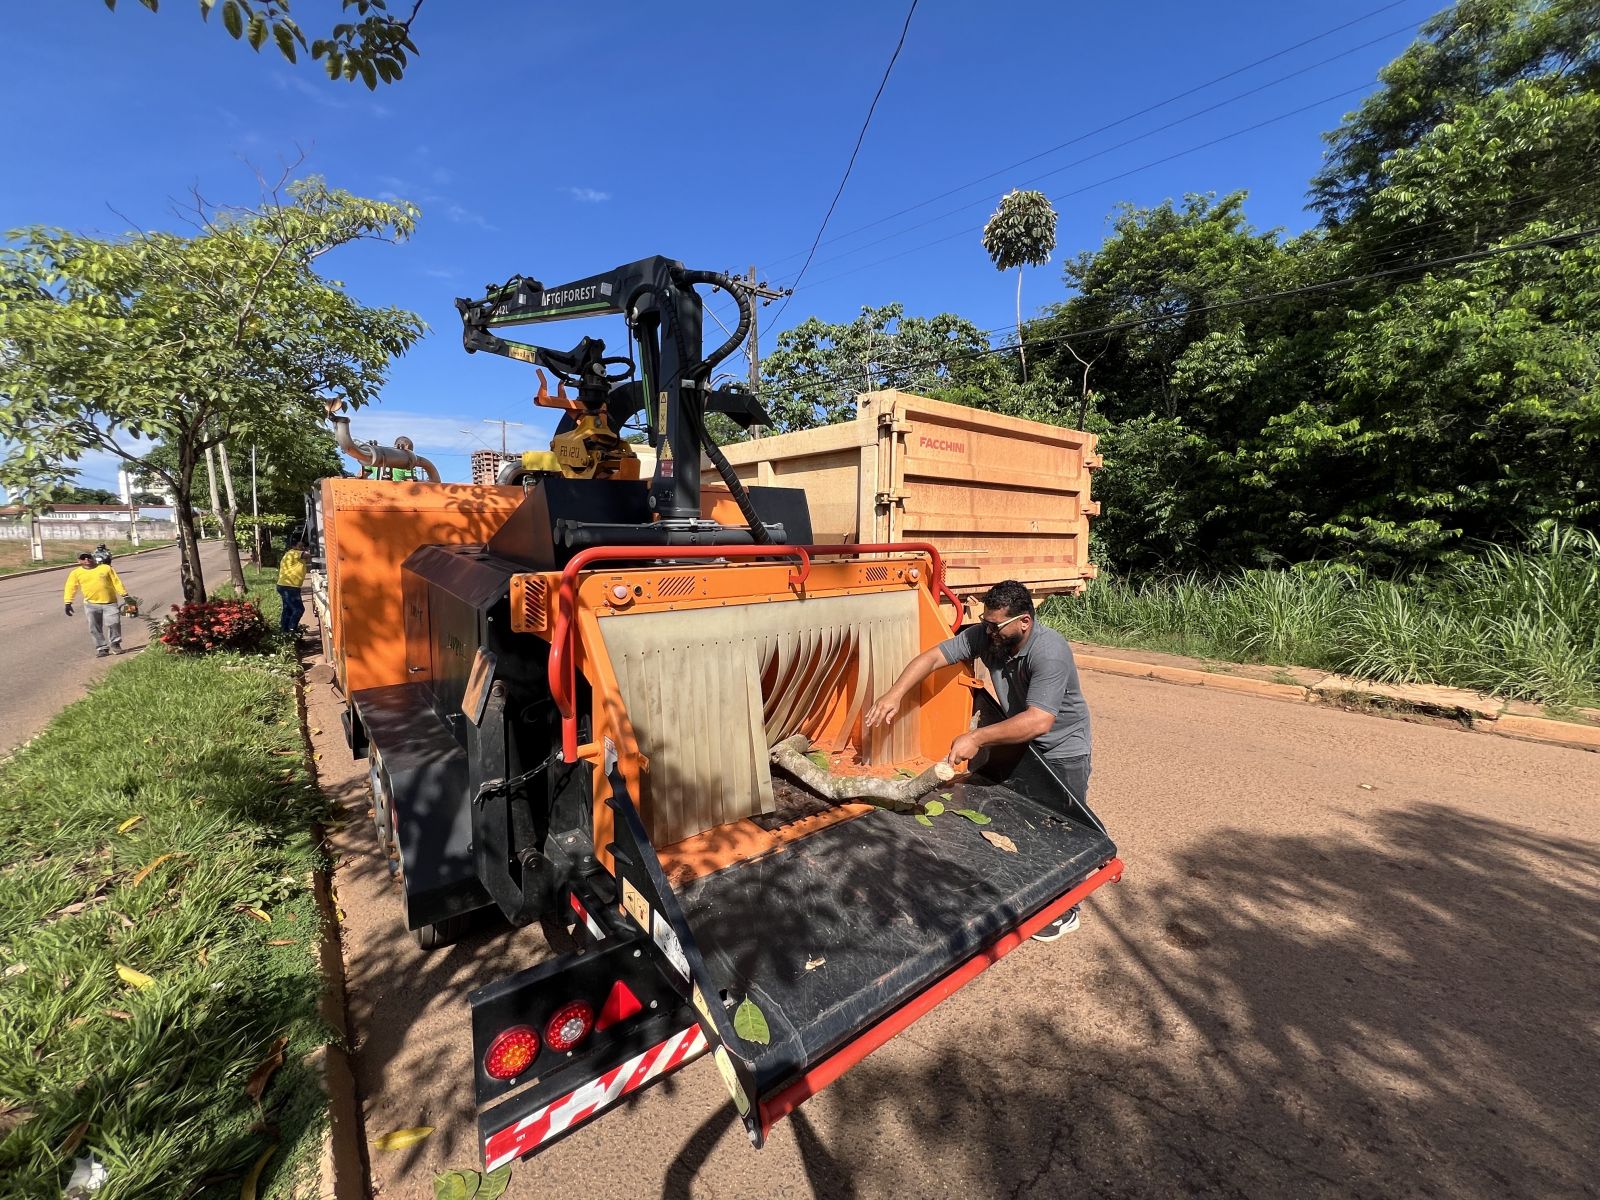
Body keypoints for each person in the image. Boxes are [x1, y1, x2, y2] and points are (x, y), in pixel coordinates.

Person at [864, 579, 1092, 942]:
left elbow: (1039, 720)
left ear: (1024, 622)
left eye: (995, 625)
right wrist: (895, 694)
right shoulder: (990, 637)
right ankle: (1033, 889)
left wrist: (976, 737)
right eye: (985, 622)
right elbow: (932, 657)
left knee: (1061, 826)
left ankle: (1067, 908)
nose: (987, 631)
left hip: (1061, 748)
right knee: (1020, 818)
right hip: (1020, 742)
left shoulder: (1049, 651)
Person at [63, 551, 130, 658]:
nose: (87, 560)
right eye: (83, 558)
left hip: (110, 602)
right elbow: (70, 587)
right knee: (94, 627)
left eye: (88, 557)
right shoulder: (76, 573)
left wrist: (125, 595)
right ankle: (102, 648)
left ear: (93, 558)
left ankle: (115, 644)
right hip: (91, 604)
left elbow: (116, 582)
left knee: (114, 623)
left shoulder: (105, 568)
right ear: (79, 561)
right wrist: (68, 602)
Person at [277, 540, 309, 635]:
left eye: (303, 546)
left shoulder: (294, 556)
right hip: (289, 587)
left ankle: (284, 631)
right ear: (293, 546)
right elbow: (307, 555)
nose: (302, 548)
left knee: (288, 610)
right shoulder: (293, 553)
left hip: (287, 586)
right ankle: (292, 631)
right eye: (300, 546)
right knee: (298, 609)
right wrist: (306, 551)